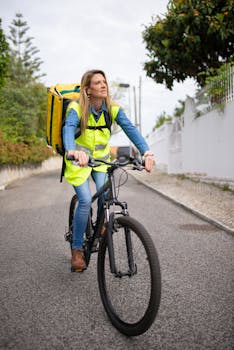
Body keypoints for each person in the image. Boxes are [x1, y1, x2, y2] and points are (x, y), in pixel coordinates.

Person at [63, 69, 155, 271]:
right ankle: (77, 249)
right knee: (86, 200)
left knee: (106, 195)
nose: (103, 85)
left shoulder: (112, 109)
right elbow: (68, 128)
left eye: (104, 81)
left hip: (102, 161)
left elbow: (130, 128)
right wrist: (72, 151)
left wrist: (146, 152)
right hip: (78, 161)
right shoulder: (76, 108)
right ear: (88, 89)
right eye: (98, 82)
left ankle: (100, 225)